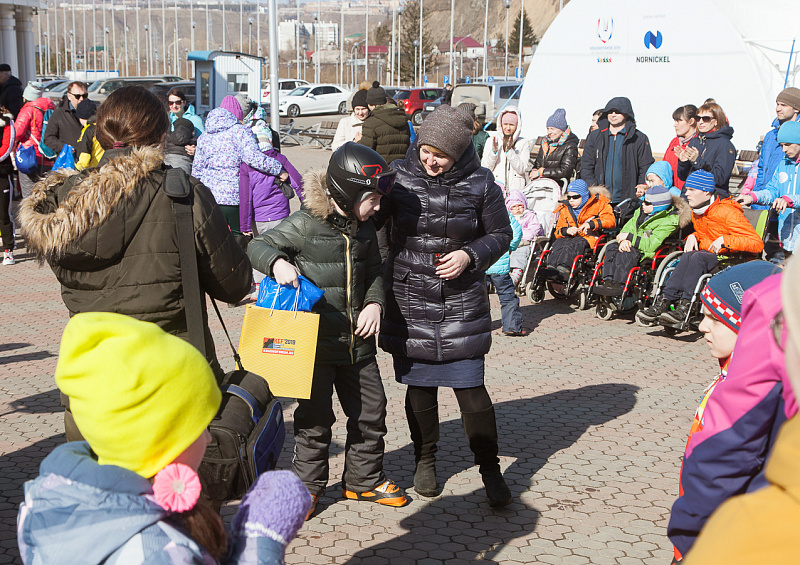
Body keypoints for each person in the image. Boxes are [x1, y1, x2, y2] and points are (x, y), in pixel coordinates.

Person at [18, 86, 252, 439]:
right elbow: (234, 285)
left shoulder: (62, 203)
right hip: (172, 385)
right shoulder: (182, 194)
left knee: (102, 475)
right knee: (177, 477)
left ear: (101, 134)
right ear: (161, 135)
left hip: (92, 389)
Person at [17, 312, 310, 565]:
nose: (209, 438)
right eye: (200, 426)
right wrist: (259, 542)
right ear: (162, 441)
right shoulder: (159, 552)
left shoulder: (48, 502)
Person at [248, 142, 407, 519]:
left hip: (357, 345)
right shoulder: (305, 224)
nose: (378, 207)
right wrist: (277, 263)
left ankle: (363, 480)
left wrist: (375, 303)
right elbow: (258, 245)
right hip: (313, 346)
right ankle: (307, 489)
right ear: (348, 194)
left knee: (371, 412)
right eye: (372, 199)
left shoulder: (364, 227)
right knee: (314, 422)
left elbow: (374, 273)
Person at [373, 105, 514, 507]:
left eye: (441, 155)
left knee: (471, 390)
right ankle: (425, 459)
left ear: (460, 152)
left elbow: (502, 233)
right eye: (426, 151)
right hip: (410, 298)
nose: (431, 161)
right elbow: (375, 225)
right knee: (420, 387)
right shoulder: (398, 177)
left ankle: (490, 468)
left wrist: (470, 254)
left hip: (460, 300)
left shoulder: (482, 183)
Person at [679, 258, 800, 565]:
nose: (702, 326)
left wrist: (687, 545)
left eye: (715, 318)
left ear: (747, 326)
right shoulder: (728, 375)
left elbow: (720, 464)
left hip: (722, 535)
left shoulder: (751, 387)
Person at [638, 170, 764, 324]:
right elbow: (707, 233)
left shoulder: (728, 212)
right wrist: (694, 235)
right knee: (686, 255)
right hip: (709, 254)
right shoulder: (697, 211)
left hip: (730, 257)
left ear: (706, 192)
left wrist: (726, 240)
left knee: (697, 257)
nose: (687, 193)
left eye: (692, 190)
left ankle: (685, 307)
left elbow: (756, 243)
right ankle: (664, 301)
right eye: (687, 189)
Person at [192, 95, 283, 242]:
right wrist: (279, 168)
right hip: (234, 198)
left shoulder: (204, 136)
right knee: (239, 241)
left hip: (209, 198)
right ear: (238, 115)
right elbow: (254, 158)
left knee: (215, 241)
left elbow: (197, 171)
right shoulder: (240, 131)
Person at [596, 186, 689, 291]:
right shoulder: (640, 212)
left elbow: (651, 245)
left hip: (647, 251)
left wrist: (629, 238)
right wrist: (623, 240)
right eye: (643, 200)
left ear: (658, 206)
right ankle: (608, 280)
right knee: (611, 247)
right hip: (633, 244)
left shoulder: (669, 222)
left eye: (647, 203)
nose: (643, 204)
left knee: (627, 253)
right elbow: (627, 229)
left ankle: (619, 284)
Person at [239, 107, 303, 238]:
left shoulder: (246, 166)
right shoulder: (279, 159)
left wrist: (245, 225)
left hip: (259, 219)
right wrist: (308, 203)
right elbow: (298, 182)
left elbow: (245, 198)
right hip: (280, 215)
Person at [739, 120, 800, 257]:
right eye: (781, 145)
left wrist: (789, 200)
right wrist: (752, 197)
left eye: (788, 145)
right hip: (787, 239)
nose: (784, 150)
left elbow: (790, 198)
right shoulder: (783, 164)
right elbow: (772, 190)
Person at [580, 97, 654, 204]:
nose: (613, 115)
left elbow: (645, 167)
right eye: (610, 112)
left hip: (628, 199)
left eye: (617, 112)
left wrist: (640, 187)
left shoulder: (639, 138)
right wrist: (594, 187)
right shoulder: (595, 136)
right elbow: (586, 165)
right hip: (599, 199)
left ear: (627, 114)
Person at [545, 179, 615, 279]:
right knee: (559, 242)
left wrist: (591, 224)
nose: (571, 200)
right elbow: (558, 230)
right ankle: (551, 266)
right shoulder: (565, 208)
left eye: (575, 197)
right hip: (571, 236)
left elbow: (610, 220)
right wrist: (567, 230)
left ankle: (564, 267)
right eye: (569, 197)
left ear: (584, 195)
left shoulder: (599, 204)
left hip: (590, 236)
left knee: (575, 243)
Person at [677, 102, 736, 199]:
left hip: (711, 199)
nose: (700, 122)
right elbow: (683, 176)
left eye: (706, 119)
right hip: (688, 197)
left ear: (716, 121)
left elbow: (720, 178)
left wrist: (697, 161)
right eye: (698, 118)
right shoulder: (695, 141)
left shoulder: (725, 145)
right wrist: (683, 163)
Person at [486, 209, 526, 336]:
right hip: (500, 264)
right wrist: (509, 247)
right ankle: (512, 326)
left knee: (479, 297)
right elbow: (516, 231)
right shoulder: (502, 212)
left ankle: (480, 326)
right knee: (507, 296)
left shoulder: (475, 211)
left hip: (481, 263)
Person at [753, 87, 800, 196]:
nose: (778, 108)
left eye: (783, 105)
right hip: (765, 195)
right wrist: (757, 194)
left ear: (796, 109)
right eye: (777, 104)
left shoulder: (797, 135)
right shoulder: (770, 136)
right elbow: (762, 168)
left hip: (787, 200)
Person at [13, 81, 55, 197]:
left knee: (29, 195)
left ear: (25, 98)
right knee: (45, 194)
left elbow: (17, 133)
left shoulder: (28, 110)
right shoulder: (51, 108)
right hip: (48, 156)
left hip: (30, 157)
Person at [358, 84, 411, 164]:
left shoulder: (371, 122)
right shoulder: (402, 118)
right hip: (401, 167)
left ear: (370, 104)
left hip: (380, 168)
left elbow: (365, 150)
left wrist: (357, 142)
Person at [481, 107, 530, 193]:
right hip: (495, 187)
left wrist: (509, 151)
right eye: (505, 124)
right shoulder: (491, 141)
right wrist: (493, 153)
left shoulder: (523, 143)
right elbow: (486, 168)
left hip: (515, 190)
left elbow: (522, 169)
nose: (508, 128)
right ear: (500, 124)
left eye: (511, 125)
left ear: (517, 126)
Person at [528, 108, 580, 186]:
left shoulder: (570, 145)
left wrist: (542, 172)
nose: (549, 132)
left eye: (552, 129)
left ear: (561, 129)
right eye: (548, 129)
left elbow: (565, 171)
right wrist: (534, 171)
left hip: (557, 185)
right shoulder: (545, 143)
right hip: (540, 183)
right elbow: (537, 164)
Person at [506, 188, 544, 285]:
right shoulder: (508, 218)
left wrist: (521, 235)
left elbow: (535, 228)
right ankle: (501, 276)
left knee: (520, 253)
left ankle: (516, 273)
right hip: (510, 242)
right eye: (514, 207)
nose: (518, 208)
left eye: (520, 206)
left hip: (525, 242)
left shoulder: (530, 215)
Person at [43, 81, 88, 155]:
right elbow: (48, 138)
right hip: (68, 158)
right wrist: (65, 147)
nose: (81, 99)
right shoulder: (58, 114)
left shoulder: (93, 112)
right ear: (69, 96)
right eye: (77, 96)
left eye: (85, 96)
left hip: (89, 158)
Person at [664, 105, 698, 192]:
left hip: (688, 194)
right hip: (671, 194)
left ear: (691, 121)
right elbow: (663, 167)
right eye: (675, 121)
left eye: (679, 121)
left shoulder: (699, 143)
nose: (675, 125)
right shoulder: (674, 142)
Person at [0, 106, 15, 265]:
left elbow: (7, 146)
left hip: (2, 173)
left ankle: (8, 250)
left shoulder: (6, 120)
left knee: (4, 213)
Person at [74, 99, 103, 170]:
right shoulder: (103, 127)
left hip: (92, 170)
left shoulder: (88, 130)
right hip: (104, 168)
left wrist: (78, 167)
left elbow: (85, 157)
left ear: (80, 117)